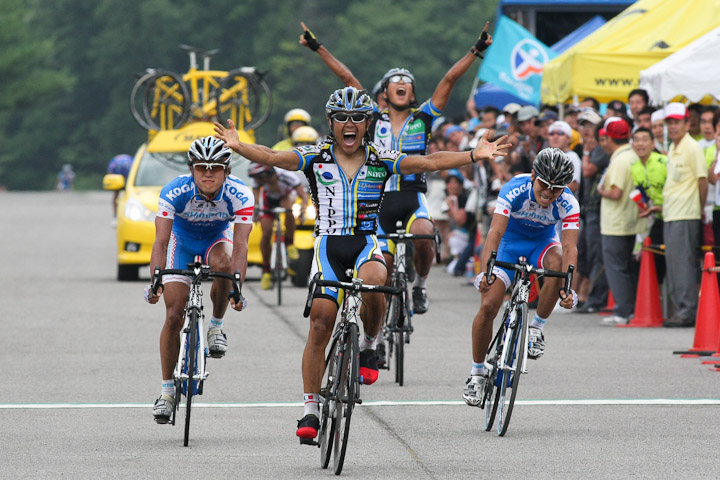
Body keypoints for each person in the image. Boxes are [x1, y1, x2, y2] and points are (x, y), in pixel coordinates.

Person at [214, 86, 510, 440]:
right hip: (327, 246)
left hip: (365, 243)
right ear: (331, 122)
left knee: (374, 282)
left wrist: (472, 155)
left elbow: (430, 162)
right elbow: (273, 156)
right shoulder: (316, 156)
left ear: (368, 123)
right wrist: (239, 145)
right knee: (321, 323)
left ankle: (370, 344)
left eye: (357, 118)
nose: (349, 124)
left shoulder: (382, 158)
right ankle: (310, 410)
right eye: (342, 118)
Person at [298, 21, 493, 315]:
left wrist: (476, 51)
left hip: (413, 196)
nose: (401, 82)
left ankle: (421, 286)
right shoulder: (371, 117)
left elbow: (450, 79)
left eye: (407, 80)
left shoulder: (423, 117)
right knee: (382, 272)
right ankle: (374, 335)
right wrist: (317, 47)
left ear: (412, 92)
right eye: (394, 80)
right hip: (379, 199)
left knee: (426, 233)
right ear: (385, 92)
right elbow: (346, 76)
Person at [145, 136, 253, 424]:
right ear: (191, 169)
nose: (208, 173)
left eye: (216, 167)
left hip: (216, 240)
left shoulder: (240, 194)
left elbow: (241, 245)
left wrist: (237, 286)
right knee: (173, 314)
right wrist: (156, 278)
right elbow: (162, 240)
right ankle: (167, 392)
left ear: (227, 171)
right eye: (201, 167)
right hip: (182, 242)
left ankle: (216, 326)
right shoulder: (174, 191)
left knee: (225, 263)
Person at [463, 148, 578, 405]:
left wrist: (568, 288)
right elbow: (494, 233)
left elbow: (570, 247)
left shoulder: (569, 202)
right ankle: (477, 373)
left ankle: (537, 327)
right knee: (489, 305)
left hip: (542, 243)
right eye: (544, 184)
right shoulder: (514, 188)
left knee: (557, 263)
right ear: (533, 175)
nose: (549, 192)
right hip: (509, 243)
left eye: (557, 188)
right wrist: (486, 273)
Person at [661, 103, 708, 327]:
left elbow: (702, 179)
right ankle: (682, 309)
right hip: (671, 212)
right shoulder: (674, 146)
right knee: (674, 264)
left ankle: (687, 311)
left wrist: (699, 209)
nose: (672, 126)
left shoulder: (692, 147)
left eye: (677, 122)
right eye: (669, 122)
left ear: (687, 123)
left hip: (686, 213)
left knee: (683, 264)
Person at [597, 117, 645, 325]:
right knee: (628, 268)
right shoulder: (633, 155)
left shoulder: (619, 160)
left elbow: (616, 192)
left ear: (609, 138)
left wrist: (600, 191)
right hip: (632, 220)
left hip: (616, 222)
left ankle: (623, 311)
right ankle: (631, 308)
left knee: (616, 267)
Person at [247, 163, 309, 289]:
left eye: (261, 179)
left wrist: (303, 208)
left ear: (269, 173)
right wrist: (256, 211)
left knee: (288, 209)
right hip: (268, 199)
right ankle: (266, 271)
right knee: (266, 233)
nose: (260, 182)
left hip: (286, 196)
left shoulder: (286, 175)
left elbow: (303, 196)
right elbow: (256, 197)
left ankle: (289, 243)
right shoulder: (257, 179)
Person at [576, 109, 610, 313]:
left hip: (597, 209)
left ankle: (595, 299)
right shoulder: (586, 148)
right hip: (587, 209)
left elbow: (588, 170)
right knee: (586, 253)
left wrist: (587, 151)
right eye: (583, 125)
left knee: (597, 254)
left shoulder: (599, 148)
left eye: (590, 125)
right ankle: (585, 296)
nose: (586, 130)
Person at [630, 127, 667, 283]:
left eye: (644, 139)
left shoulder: (663, 162)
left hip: (673, 215)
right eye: (636, 140)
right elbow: (642, 193)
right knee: (654, 260)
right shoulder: (635, 167)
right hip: (655, 218)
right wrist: (643, 205)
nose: (640, 144)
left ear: (653, 143)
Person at [547, 120, 581, 194]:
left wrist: (552, 194)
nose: (555, 137)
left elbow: (574, 185)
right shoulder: (546, 156)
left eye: (560, 133)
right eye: (552, 134)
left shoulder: (572, 156)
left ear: (568, 139)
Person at [107, 154, 133, 218]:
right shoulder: (130, 162)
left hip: (125, 177)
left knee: (117, 196)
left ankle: (116, 215)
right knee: (116, 195)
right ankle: (116, 215)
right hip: (121, 178)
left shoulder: (114, 163)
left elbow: (110, 174)